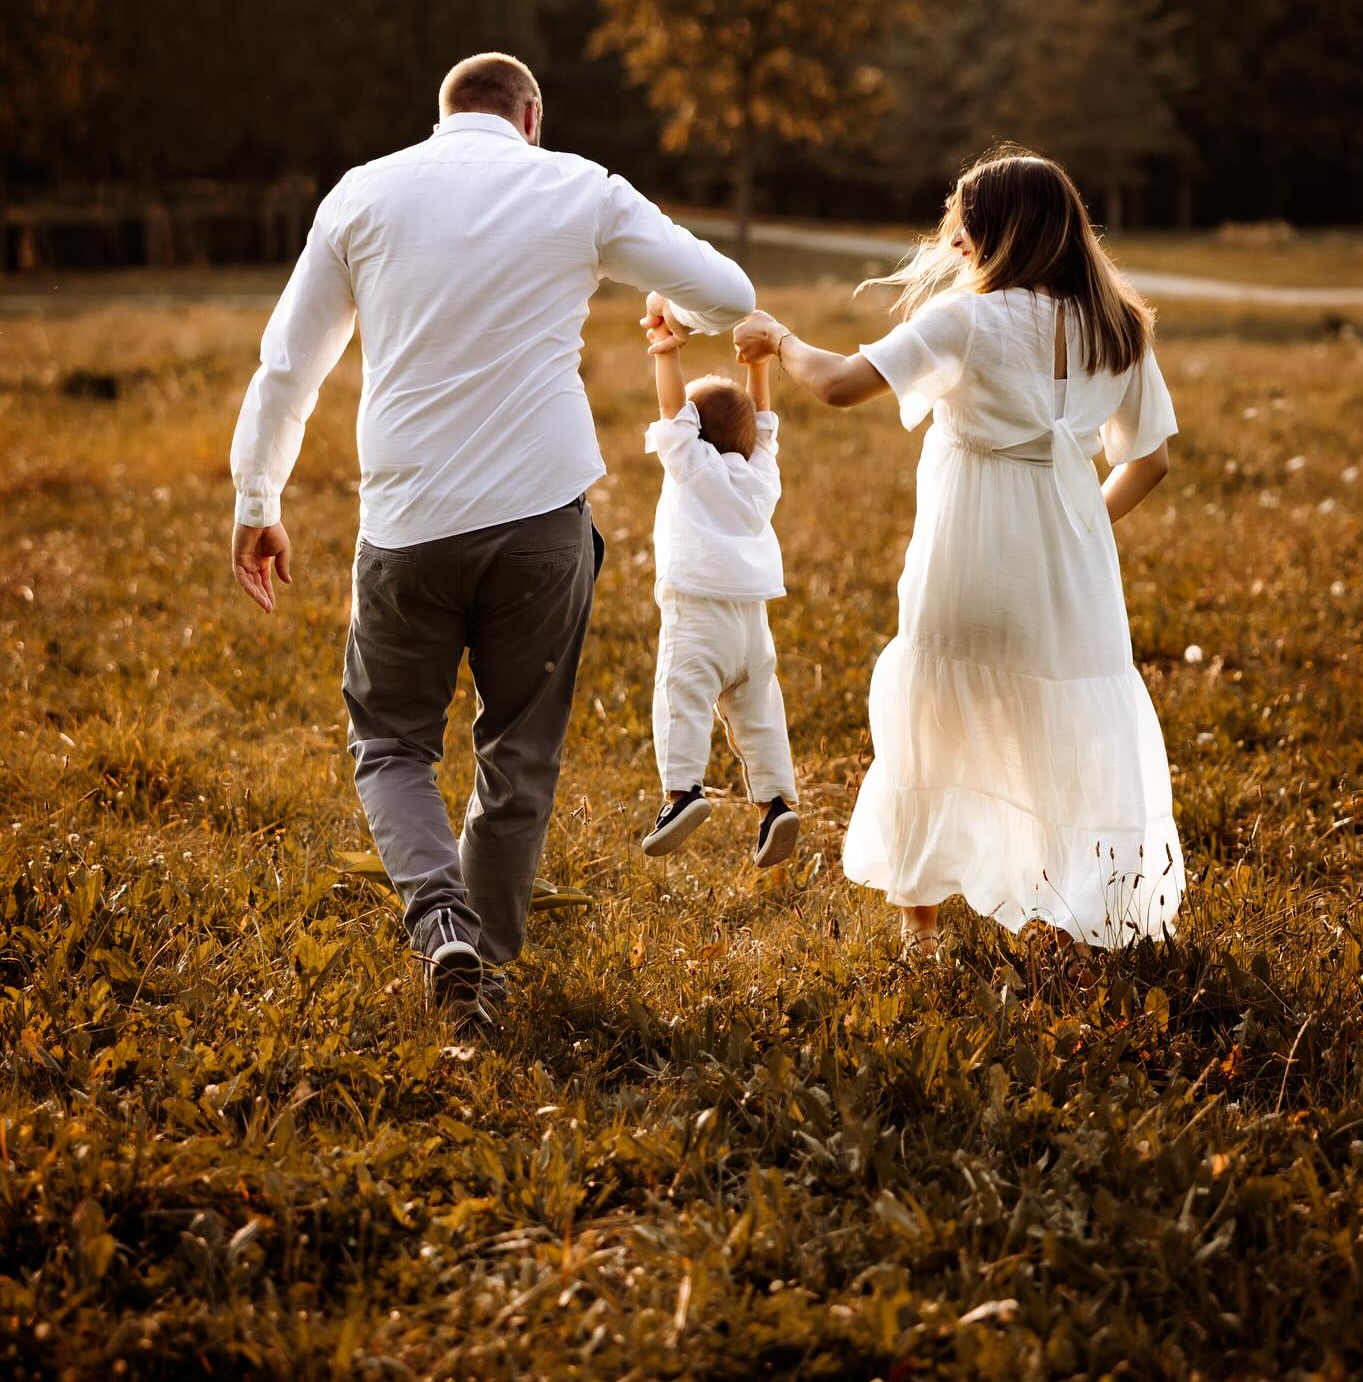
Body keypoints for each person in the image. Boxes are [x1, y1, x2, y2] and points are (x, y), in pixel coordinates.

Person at [229, 53, 753, 1029]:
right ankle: (489, 967)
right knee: (521, 749)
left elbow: (285, 368)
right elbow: (728, 291)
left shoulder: (363, 195)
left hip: (406, 527)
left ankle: (443, 929)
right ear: (532, 116)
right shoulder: (579, 188)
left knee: (389, 743)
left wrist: (256, 498)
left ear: (444, 116)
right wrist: (669, 312)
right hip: (540, 522)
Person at [733, 147, 1182, 960]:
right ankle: (1087, 913)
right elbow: (1148, 460)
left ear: (993, 234)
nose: (955, 242)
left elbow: (836, 385)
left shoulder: (966, 320)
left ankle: (923, 932)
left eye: (964, 227)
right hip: (1070, 571)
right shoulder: (1120, 324)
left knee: (934, 720)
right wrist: (1078, 526)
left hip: (968, 558)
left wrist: (781, 339)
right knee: (1069, 726)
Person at [639, 308, 799, 869]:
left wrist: (667, 348)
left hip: (697, 614)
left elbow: (671, 411)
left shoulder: (691, 465)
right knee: (759, 713)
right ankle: (776, 803)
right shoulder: (761, 473)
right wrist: (758, 365)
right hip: (752, 625)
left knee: (680, 699)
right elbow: (766, 422)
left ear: (694, 430)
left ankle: (681, 794)